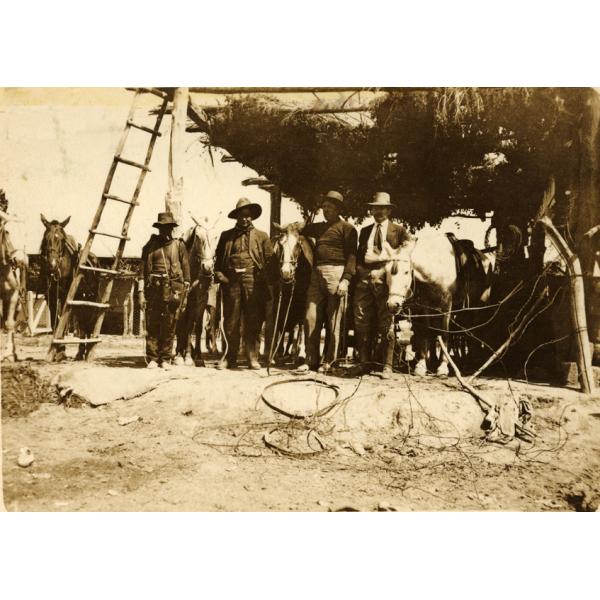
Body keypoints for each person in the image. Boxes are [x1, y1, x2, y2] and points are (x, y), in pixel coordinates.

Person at [299, 190, 357, 373]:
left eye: (330, 207)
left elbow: (352, 257)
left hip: (336, 273)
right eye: (324, 207)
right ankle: (310, 360)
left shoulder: (347, 228)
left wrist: (346, 280)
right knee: (311, 317)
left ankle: (330, 361)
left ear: (338, 209)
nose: (326, 210)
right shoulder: (317, 227)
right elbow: (299, 230)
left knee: (334, 321)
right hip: (316, 274)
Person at [354, 192, 410, 377]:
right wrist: (362, 271)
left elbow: (407, 252)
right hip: (365, 279)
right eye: (375, 208)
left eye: (382, 208)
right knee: (361, 319)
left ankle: (387, 365)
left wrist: (386, 261)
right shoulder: (365, 231)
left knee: (387, 321)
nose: (378, 211)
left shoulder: (399, 230)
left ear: (389, 210)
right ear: (371, 210)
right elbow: (360, 256)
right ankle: (364, 363)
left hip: (386, 281)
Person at [214, 198, 273, 370]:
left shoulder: (262, 236)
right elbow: (218, 263)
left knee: (253, 320)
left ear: (252, 217)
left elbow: (270, 261)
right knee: (231, 321)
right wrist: (222, 277)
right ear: (236, 217)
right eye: (241, 215)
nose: (245, 219)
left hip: (253, 283)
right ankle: (229, 358)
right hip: (231, 282)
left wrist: (266, 280)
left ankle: (252, 357)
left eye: (248, 216)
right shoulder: (226, 236)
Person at [140, 212, 190, 369]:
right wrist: (141, 293)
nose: (165, 231)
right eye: (162, 228)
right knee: (153, 324)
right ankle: (153, 358)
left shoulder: (179, 246)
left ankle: (166, 358)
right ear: (158, 228)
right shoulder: (150, 247)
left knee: (170, 324)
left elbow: (186, 271)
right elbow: (141, 272)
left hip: (173, 289)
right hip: (153, 289)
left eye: (168, 228)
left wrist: (184, 291)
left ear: (172, 229)